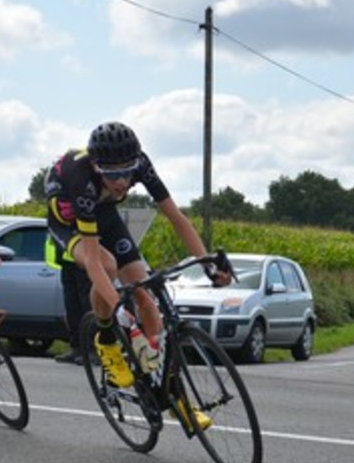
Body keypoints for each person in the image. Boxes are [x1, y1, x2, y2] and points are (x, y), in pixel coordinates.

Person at [43, 121, 229, 426]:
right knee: (107, 265)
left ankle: (173, 397)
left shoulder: (141, 163)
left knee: (146, 295)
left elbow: (176, 217)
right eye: (112, 174)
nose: (121, 182)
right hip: (68, 222)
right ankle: (106, 339)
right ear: (97, 167)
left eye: (127, 172)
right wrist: (120, 312)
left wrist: (208, 263)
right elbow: (93, 263)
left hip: (105, 213)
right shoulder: (82, 179)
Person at [47, 237, 93, 365]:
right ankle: (77, 347)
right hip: (67, 261)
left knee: (87, 306)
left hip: (84, 261)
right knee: (72, 307)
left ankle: (92, 349)